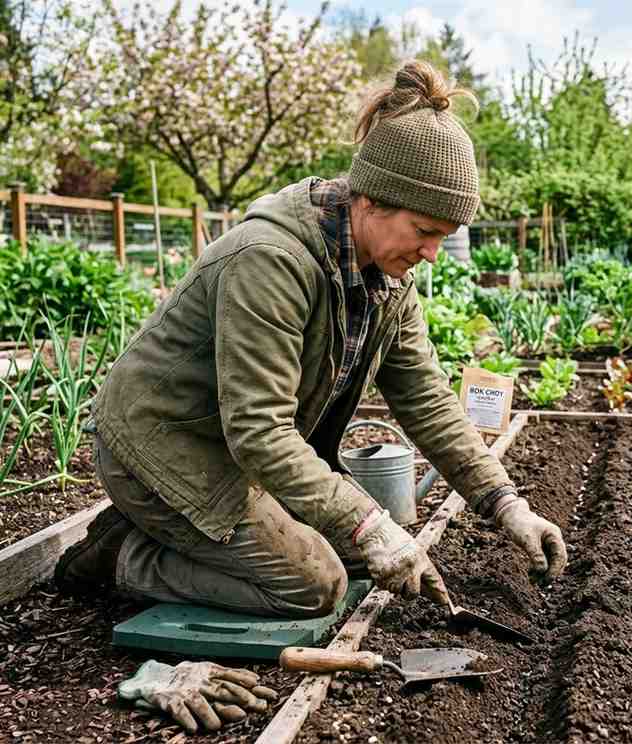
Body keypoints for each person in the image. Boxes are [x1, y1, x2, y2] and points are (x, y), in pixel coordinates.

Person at [55, 61, 567, 731]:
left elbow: (429, 402)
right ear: (373, 200)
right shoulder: (271, 260)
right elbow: (261, 433)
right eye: (426, 232)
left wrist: (508, 506)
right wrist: (369, 523)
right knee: (315, 584)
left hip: (233, 452)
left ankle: (174, 534)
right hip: (160, 447)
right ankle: (122, 556)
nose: (433, 254)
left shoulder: (386, 277)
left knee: (369, 554)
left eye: (444, 237)